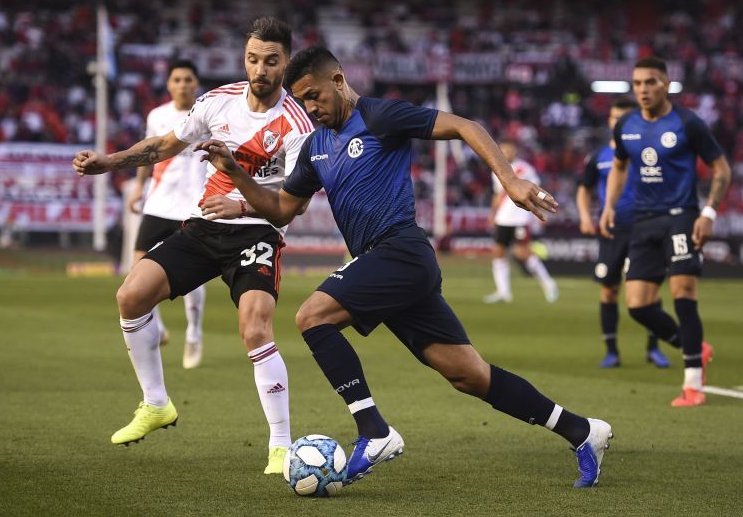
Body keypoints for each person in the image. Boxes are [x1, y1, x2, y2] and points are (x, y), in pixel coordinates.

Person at [198, 46, 613, 488]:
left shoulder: (380, 117)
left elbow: (463, 126)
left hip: (400, 250)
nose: (312, 108)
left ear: (338, 81)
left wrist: (509, 179)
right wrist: (239, 180)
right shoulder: (316, 146)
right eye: (303, 101)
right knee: (468, 375)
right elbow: (283, 208)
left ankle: (373, 431)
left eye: (316, 96)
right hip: (384, 265)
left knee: (311, 316)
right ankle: (583, 431)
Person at [72, 17, 314, 473]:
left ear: (286, 63)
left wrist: (240, 199)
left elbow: (289, 207)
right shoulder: (217, 102)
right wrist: (110, 163)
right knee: (131, 295)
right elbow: (164, 145)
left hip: (258, 231)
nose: (259, 70)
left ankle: (280, 445)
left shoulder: (298, 124)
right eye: (252, 59)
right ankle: (156, 403)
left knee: (255, 328)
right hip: (205, 225)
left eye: (271, 61)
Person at [600, 57, 731, 407]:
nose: (643, 89)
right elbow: (618, 166)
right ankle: (694, 347)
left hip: (682, 217)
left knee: (683, 292)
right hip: (644, 221)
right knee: (638, 305)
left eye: (651, 82)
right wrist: (610, 205)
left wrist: (708, 212)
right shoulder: (625, 125)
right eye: (638, 83)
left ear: (667, 84)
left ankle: (692, 385)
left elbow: (721, 169)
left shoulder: (689, 123)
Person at [577, 96, 675, 369]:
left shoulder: (650, 150)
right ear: (609, 120)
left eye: (624, 118)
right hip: (612, 230)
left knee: (649, 292)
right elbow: (584, 189)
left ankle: (653, 349)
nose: (618, 122)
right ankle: (612, 351)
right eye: (614, 117)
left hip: (646, 229)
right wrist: (585, 215)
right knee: (609, 290)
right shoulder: (598, 156)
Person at [127, 59, 208, 369]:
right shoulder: (158, 116)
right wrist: (138, 188)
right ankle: (158, 328)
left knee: (193, 275)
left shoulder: (207, 112)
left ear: (195, 83)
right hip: (159, 202)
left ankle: (194, 332)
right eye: (177, 79)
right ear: (169, 84)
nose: (183, 84)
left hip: (194, 204)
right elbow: (150, 153)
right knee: (137, 269)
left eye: (188, 79)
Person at [484, 138, 558, 304]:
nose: (505, 153)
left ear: (515, 151)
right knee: (498, 252)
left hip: (519, 217)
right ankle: (504, 292)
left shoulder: (524, 168)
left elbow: (536, 191)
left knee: (522, 252)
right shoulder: (496, 168)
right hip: (502, 218)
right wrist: (492, 214)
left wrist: (540, 212)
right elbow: (498, 194)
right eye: (502, 150)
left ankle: (548, 283)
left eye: (509, 150)